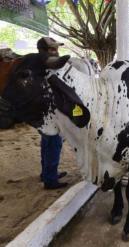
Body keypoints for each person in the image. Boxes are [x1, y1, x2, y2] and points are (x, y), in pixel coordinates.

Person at [37, 37, 68, 189]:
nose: (56, 52)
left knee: (47, 144)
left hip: (45, 113)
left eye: (56, 49)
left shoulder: (38, 64)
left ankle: (47, 174)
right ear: (43, 50)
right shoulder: (44, 66)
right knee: (54, 144)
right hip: (50, 112)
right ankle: (50, 181)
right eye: (52, 49)